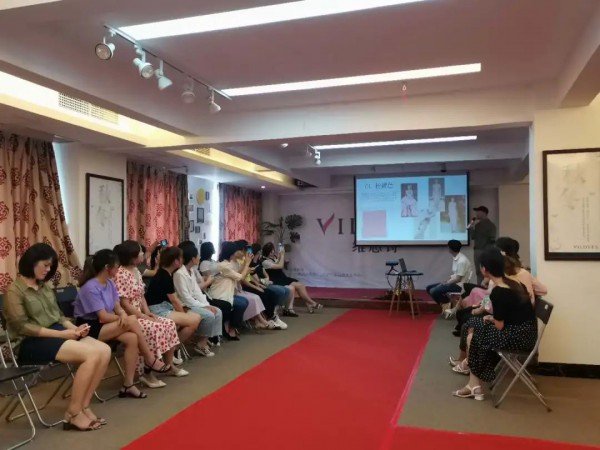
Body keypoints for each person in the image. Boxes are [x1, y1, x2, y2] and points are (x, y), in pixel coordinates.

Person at [4, 243, 111, 431]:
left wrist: (75, 329)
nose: (48, 270)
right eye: (45, 265)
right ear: (32, 262)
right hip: (30, 343)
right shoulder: (14, 291)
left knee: (104, 350)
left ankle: (84, 406)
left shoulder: (44, 287)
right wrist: (62, 334)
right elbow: (23, 327)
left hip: (56, 332)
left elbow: (59, 317)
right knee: (91, 355)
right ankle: (73, 413)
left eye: (50, 266)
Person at [73, 249, 173, 400]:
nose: (118, 269)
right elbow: (102, 316)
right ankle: (150, 358)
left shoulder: (109, 283)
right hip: (88, 328)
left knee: (132, 338)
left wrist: (123, 316)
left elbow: (118, 307)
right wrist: (125, 319)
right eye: (116, 266)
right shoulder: (90, 288)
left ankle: (128, 385)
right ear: (107, 267)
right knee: (132, 320)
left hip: (106, 324)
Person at [451, 248, 537, 401]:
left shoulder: (499, 291)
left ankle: (474, 383)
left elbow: (499, 326)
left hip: (517, 337)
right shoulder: (514, 283)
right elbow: (512, 314)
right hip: (526, 333)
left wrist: (492, 319)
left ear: (484, 269)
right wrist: (492, 318)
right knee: (473, 324)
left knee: (473, 334)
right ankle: (473, 381)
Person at [113, 241, 184, 388]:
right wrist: (143, 316)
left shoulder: (136, 271)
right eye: (140, 252)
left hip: (140, 313)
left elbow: (142, 296)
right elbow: (125, 304)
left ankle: (169, 364)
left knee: (169, 324)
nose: (142, 254)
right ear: (132, 256)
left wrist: (148, 313)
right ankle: (147, 373)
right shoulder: (121, 274)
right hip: (130, 316)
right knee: (154, 328)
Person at [145, 247, 211, 355]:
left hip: (164, 307)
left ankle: (173, 348)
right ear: (175, 261)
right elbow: (174, 300)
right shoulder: (165, 276)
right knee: (193, 321)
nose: (183, 260)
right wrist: (183, 314)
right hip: (158, 310)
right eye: (181, 258)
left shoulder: (165, 273)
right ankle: (173, 349)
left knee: (196, 318)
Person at [174, 241, 223, 353]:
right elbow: (185, 297)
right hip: (185, 305)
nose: (199, 257)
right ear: (192, 259)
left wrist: (206, 305)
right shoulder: (179, 274)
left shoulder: (191, 271)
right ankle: (200, 344)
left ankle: (203, 341)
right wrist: (204, 307)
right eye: (197, 256)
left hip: (193, 302)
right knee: (209, 315)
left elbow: (197, 292)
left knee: (217, 311)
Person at [206, 242, 254, 340]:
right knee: (240, 304)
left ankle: (231, 327)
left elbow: (236, 272)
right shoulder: (223, 265)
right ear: (231, 253)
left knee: (244, 302)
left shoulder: (229, 263)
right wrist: (247, 263)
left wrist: (245, 263)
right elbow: (240, 277)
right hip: (219, 295)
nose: (239, 252)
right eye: (237, 251)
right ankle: (230, 328)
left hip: (227, 293)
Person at [261, 242, 323, 315]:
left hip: (282, 277)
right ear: (267, 252)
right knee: (297, 286)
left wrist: (280, 256)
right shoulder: (265, 262)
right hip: (276, 280)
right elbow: (280, 266)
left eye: (273, 250)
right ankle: (311, 303)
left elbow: (277, 262)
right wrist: (282, 255)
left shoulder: (273, 257)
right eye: (271, 251)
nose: (273, 252)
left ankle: (309, 303)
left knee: (301, 285)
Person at [425, 240, 473, 308]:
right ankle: (447, 304)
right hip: (454, 283)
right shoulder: (456, 258)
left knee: (433, 291)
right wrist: (446, 281)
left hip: (460, 286)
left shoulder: (462, 261)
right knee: (429, 287)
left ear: (451, 248)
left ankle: (447, 304)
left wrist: (446, 283)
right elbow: (455, 275)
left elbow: (458, 279)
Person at [469, 206, 497, 284]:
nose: (476, 214)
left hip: (486, 251)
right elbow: (473, 237)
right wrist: (472, 227)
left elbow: (492, 239)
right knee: (478, 272)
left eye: (478, 211)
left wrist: (488, 251)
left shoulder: (491, 225)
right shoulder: (477, 225)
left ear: (484, 213)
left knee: (486, 272)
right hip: (477, 250)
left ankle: (486, 287)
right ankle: (479, 286)